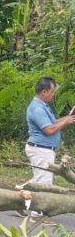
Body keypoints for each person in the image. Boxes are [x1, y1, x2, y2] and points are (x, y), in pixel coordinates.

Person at [21, 76, 75, 221]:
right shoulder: (37, 107)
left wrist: (66, 119)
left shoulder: (43, 105)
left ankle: (19, 201)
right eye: (52, 91)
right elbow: (49, 130)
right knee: (44, 182)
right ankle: (37, 214)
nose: (53, 94)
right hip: (40, 149)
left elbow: (52, 122)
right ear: (44, 91)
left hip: (43, 149)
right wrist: (66, 122)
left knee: (38, 178)